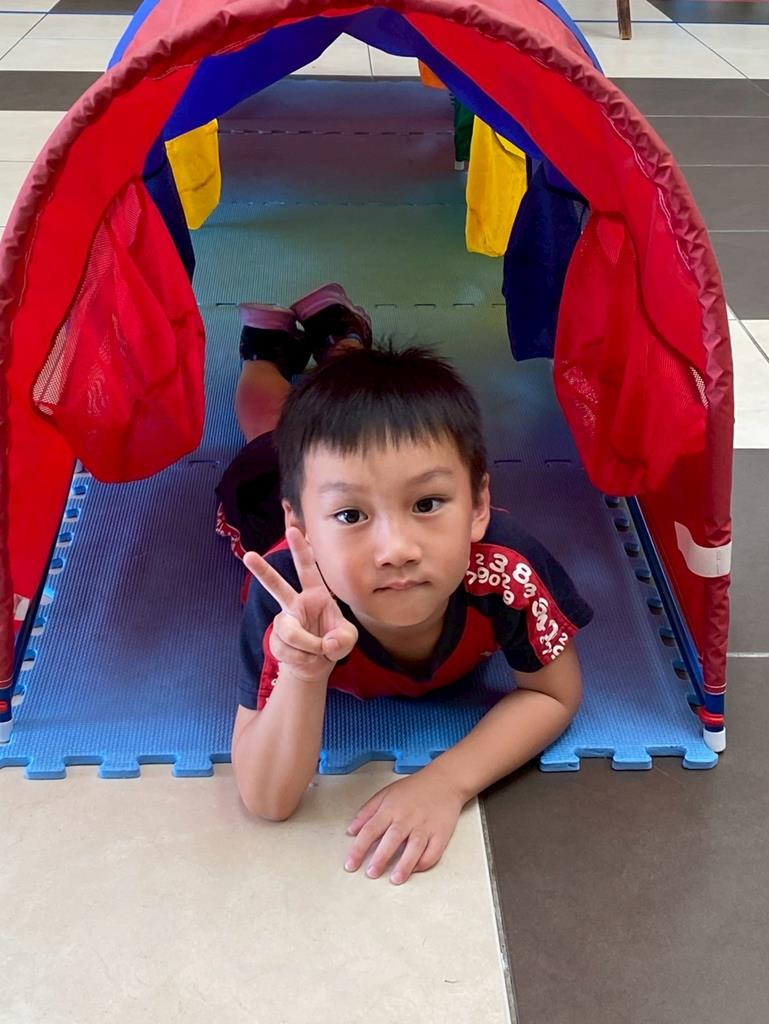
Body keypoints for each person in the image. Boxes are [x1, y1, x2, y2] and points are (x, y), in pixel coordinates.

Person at [217, 283, 593, 886]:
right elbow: (266, 799)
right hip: (269, 484)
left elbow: (553, 694)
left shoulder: (507, 565)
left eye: (427, 503)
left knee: (343, 427)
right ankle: (267, 350)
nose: (395, 550)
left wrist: (447, 781)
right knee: (267, 431)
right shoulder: (289, 595)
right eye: (352, 516)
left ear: (479, 506)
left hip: (327, 477)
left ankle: (342, 338)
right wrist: (304, 673)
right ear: (302, 528)